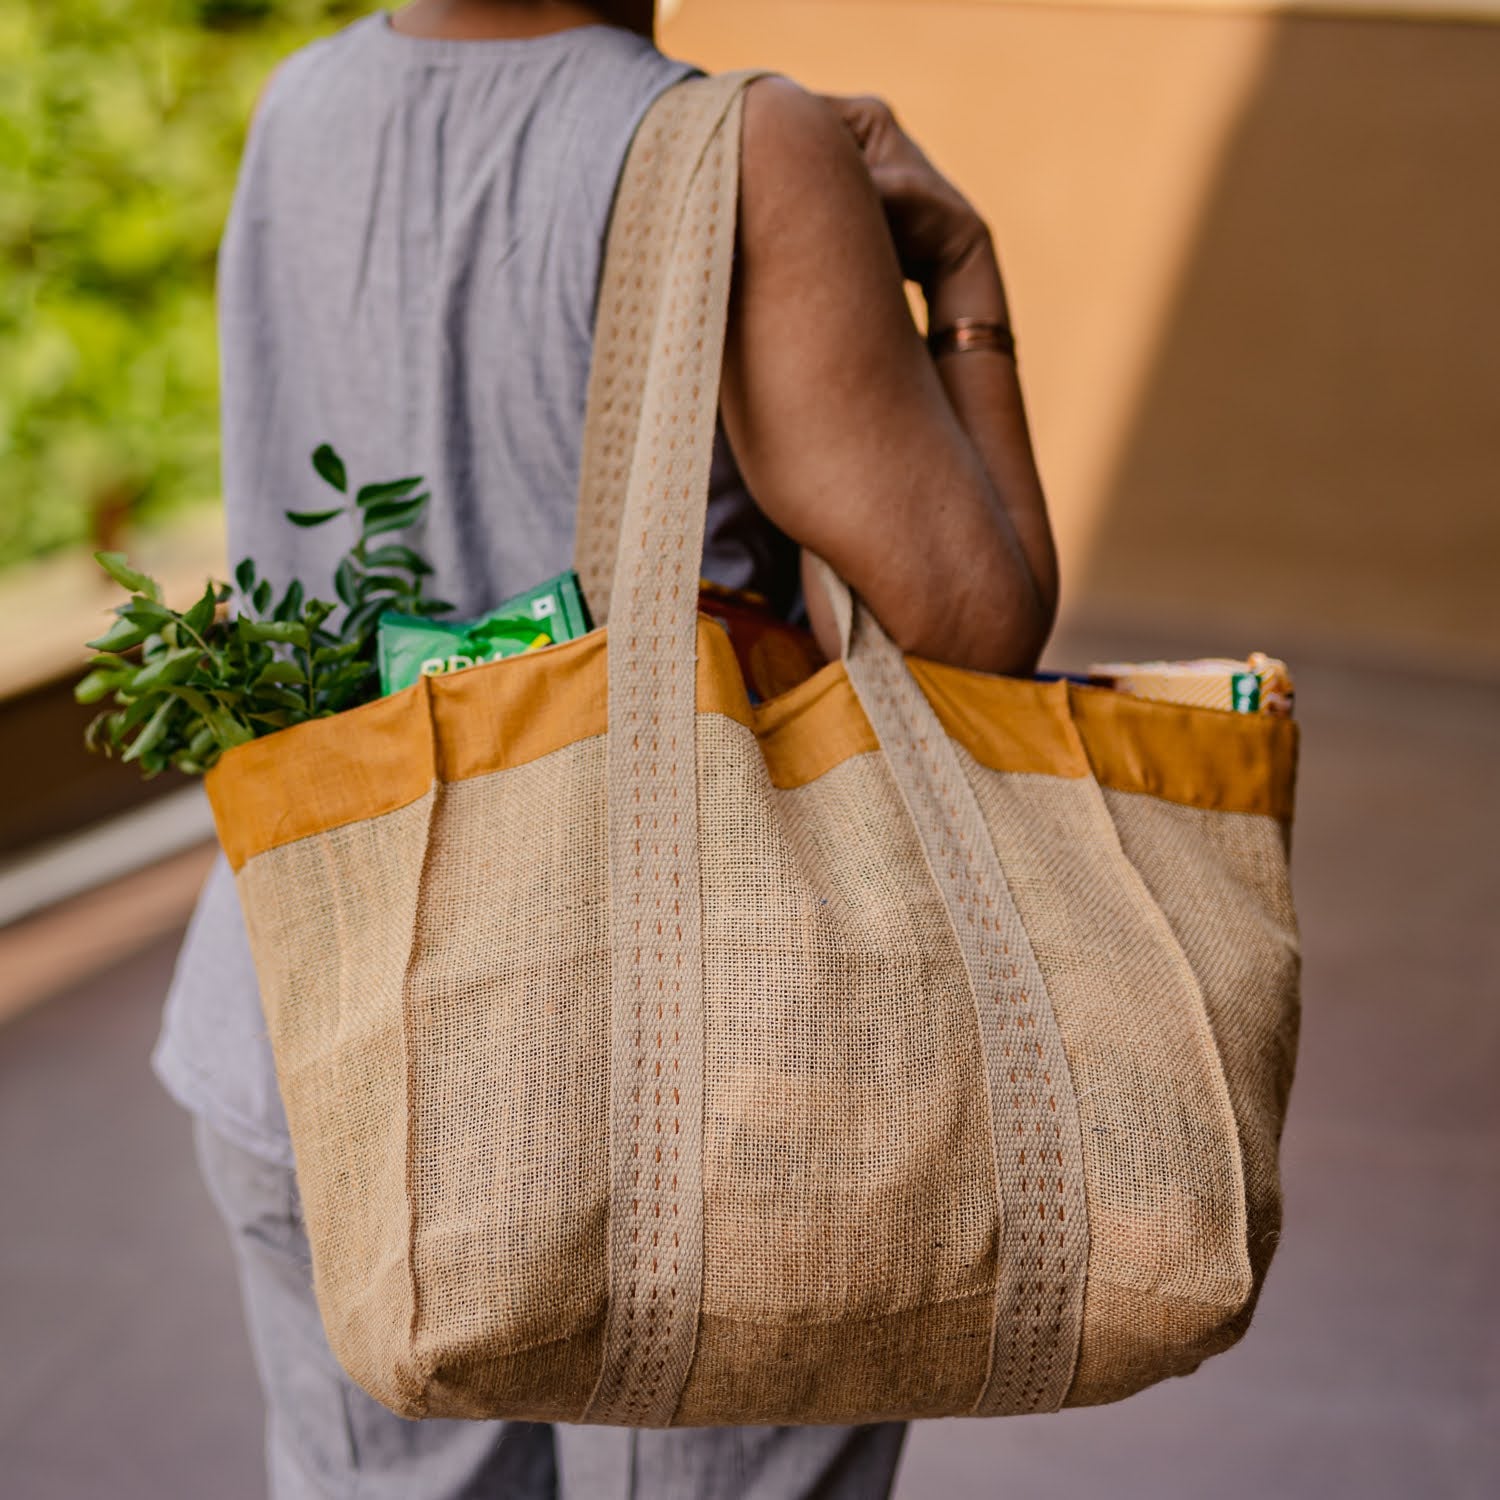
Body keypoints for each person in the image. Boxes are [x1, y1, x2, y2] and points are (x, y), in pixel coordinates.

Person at [154, 2, 1058, 1495]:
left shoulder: (297, 106)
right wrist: (961, 274)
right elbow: (975, 627)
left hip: (313, 1008)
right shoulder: (745, 150)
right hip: (682, 1072)